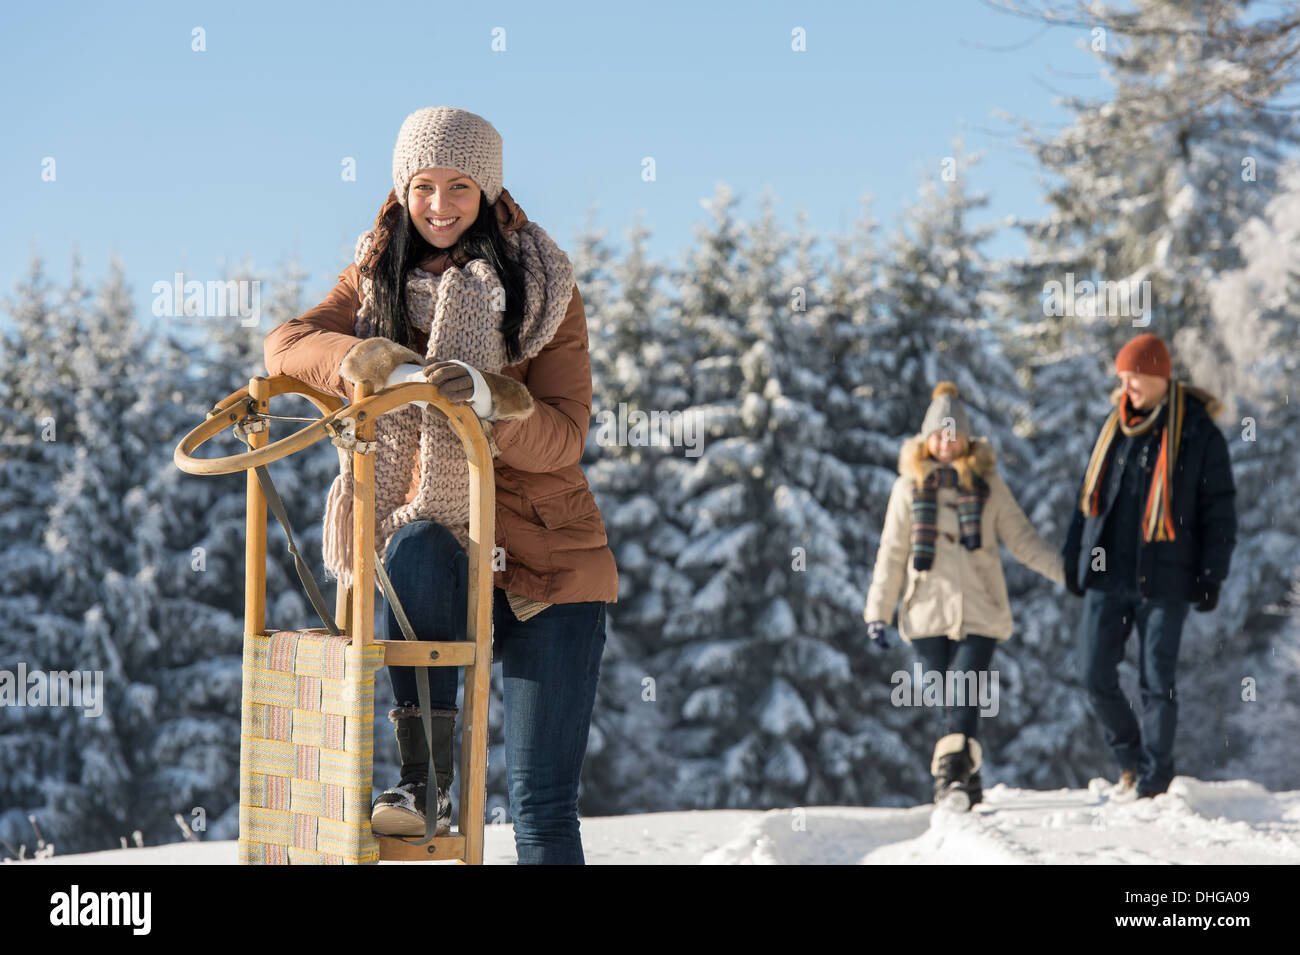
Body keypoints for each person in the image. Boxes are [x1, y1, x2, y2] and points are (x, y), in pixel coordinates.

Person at [263, 106, 618, 864]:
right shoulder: (373, 275)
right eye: (424, 185)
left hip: (545, 560)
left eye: (460, 186)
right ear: (403, 188)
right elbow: (286, 345)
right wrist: (383, 364)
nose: (440, 204)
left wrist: (489, 401)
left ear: (487, 191)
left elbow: (564, 435)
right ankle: (425, 781)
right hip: (443, 545)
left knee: (540, 804)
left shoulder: (542, 283)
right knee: (417, 540)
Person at [864, 382, 1064, 809]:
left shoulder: (988, 485)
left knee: (966, 688)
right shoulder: (907, 488)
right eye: (939, 434)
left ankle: (949, 777)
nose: (946, 442)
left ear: (968, 438)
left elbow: (1023, 540)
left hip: (980, 609)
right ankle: (965, 780)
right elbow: (892, 553)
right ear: (926, 438)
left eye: (954, 434)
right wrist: (877, 612)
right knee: (946, 699)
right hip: (925, 613)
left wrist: (1071, 574)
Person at [1062, 333, 1235, 799]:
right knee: (1093, 673)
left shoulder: (1198, 433)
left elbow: (1219, 509)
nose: (1126, 388)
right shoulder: (1112, 429)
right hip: (1107, 577)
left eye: (1133, 378)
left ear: (1158, 376)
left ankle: (1156, 779)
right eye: (1122, 379)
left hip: (1166, 580)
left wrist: (1211, 573)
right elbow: (1087, 504)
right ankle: (1132, 761)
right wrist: (1072, 558)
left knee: (1157, 682)